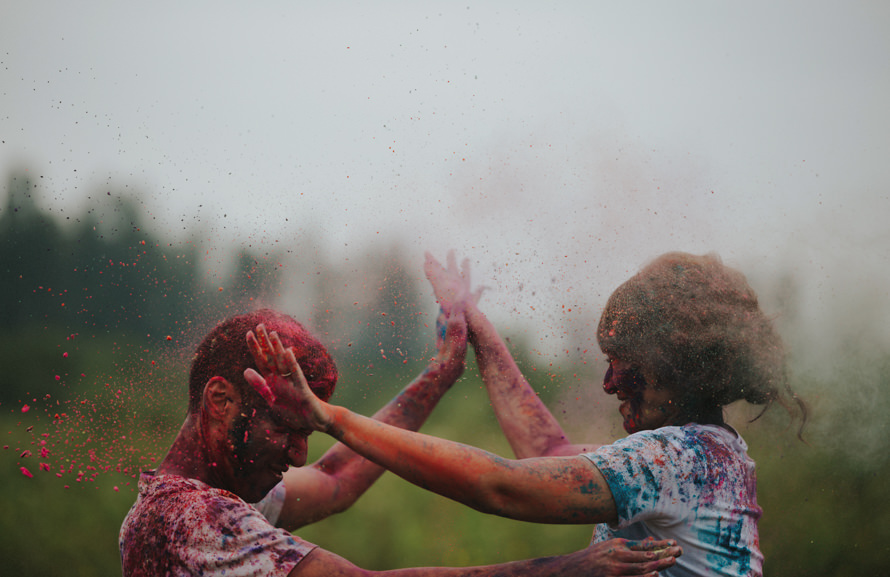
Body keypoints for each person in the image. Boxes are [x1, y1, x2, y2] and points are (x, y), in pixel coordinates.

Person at [250, 251, 805, 577]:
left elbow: (502, 486)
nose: (609, 384)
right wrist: (479, 329)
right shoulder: (707, 455)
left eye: (624, 366)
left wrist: (327, 417)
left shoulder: (675, 459)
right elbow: (552, 456)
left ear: (676, 367)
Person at [120, 305, 681, 576]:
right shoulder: (192, 522)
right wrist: (566, 570)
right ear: (221, 401)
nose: (299, 455)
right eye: (288, 430)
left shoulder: (216, 504)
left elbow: (338, 480)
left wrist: (439, 373)